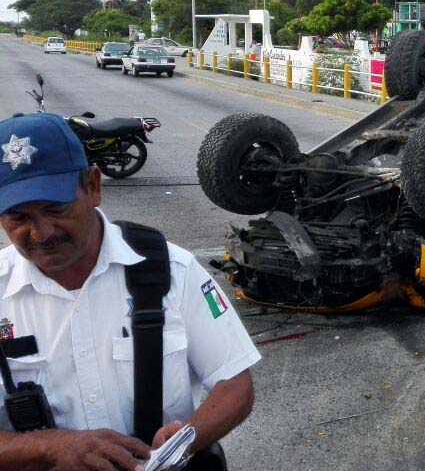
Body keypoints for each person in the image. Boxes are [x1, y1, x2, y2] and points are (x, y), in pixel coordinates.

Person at [0, 113, 259, 468]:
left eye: (56, 209)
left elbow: (234, 383)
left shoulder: (172, 271)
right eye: (19, 218)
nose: (42, 232)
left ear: (93, 187)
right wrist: (52, 446)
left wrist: (187, 436)